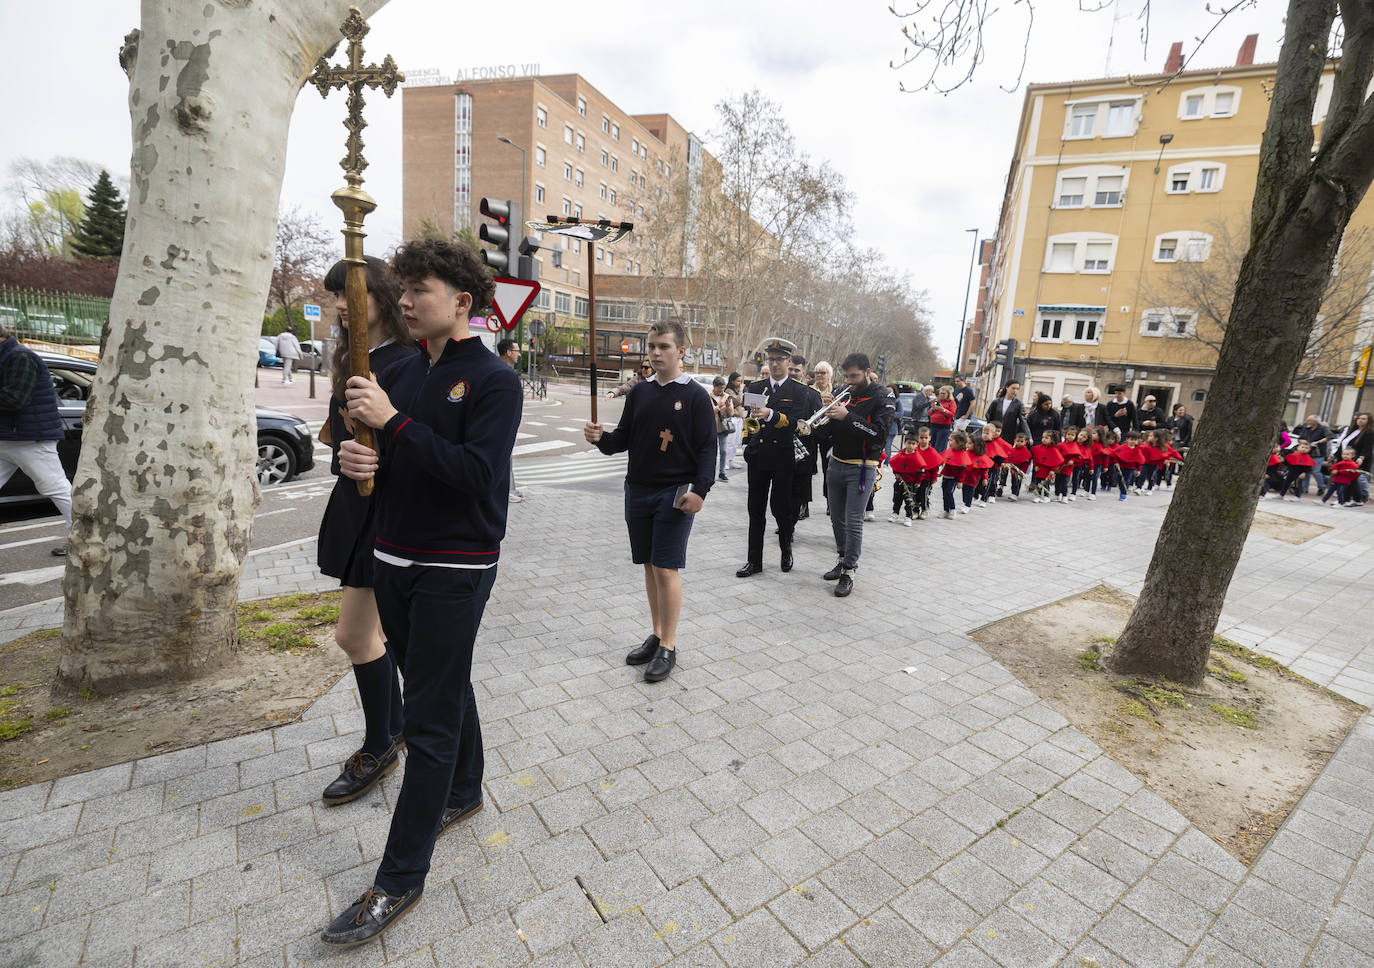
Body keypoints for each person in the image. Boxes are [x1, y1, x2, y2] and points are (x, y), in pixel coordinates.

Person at [322, 238, 521, 947]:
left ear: (462, 303)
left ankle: (399, 878)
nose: (404, 301)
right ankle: (465, 789)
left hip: (455, 567)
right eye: (402, 289)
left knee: (426, 722)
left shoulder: (495, 382)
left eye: (420, 290)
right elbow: (385, 461)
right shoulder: (399, 373)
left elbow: (476, 476)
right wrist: (357, 459)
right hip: (392, 557)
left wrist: (393, 424)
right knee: (436, 680)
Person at [315, 257, 416, 808]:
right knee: (378, 638)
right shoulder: (352, 361)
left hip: (390, 517)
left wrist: (377, 455)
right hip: (357, 511)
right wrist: (347, 460)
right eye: (334, 296)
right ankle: (393, 730)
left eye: (350, 294)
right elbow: (339, 445)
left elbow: (418, 447)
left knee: (356, 636)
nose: (339, 306)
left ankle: (382, 744)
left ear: (381, 295)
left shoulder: (406, 364)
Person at [584, 320, 714, 683]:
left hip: (674, 492)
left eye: (664, 347)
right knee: (648, 565)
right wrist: (600, 438)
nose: (655, 353)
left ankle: (669, 646)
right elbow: (623, 439)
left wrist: (700, 491)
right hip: (636, 488)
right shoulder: (640, 392)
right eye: (652, 346)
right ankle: (656, 634)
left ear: (681, 352)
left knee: (665, 567)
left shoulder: (695, 396)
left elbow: (708, 449)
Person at [822, 353, 895, 595]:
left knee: (853, 520)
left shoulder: (883, 396)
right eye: (847, 376)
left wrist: (847, 416)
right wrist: (828, 413)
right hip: (837, 462)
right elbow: (834, 430)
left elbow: (879, 434)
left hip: (862, 467)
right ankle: (842, 559)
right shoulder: (846, 392)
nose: (850, 381)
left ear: (867, 371)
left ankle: (850, 571)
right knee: (836, 518)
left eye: (854, 376)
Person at [736, 341, 809, 577]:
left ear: (789, 362)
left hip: (782, 456)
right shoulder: (756, 387)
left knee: (781, 509)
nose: (775, 363)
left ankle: (786, 550)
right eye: (771, 359)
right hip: (758, 456)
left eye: (780, 359)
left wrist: (771, 414)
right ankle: (754, 560)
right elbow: (749, 420)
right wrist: (747, 444)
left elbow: (795, 424)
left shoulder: (799, 391)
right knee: (755, 510)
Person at [0, 330, 72, 556]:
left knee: (56, 488)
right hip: (9, 437)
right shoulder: (9, 356)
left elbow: (14, 399)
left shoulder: (20, 357)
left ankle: (84, 537)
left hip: (29, 438)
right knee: (57, 488)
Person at [789, 354, 823, 520]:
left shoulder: (813, 394)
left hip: (804, 446)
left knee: (802, 482)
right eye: (790, 369)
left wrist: (806, 431)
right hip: (782, 445)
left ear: (803, 372)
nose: (793, 373)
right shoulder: (779, 391)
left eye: (797, 370)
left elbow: (819, 424)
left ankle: (801, 508)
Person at [1333, 412, 1372, 505]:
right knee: (1350, 480)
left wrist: (1361, 457)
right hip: (1345, 459)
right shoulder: (1353, 430)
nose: (1360, 420)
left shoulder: (1369, 432)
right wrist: (1335, 455)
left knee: (1351, 480)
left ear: (1368, 421)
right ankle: (1354, 500)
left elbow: (1367, 447)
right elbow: (1343, 444)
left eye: (1363, 419)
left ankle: (1347, 499)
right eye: (1359, 418)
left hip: (1356, 460)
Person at [888, 433, 922, 526]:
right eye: (909, 443)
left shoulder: (917, 457)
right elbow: (895, 464)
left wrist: (918, 481)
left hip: (911, 483)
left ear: (916, 445)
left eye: (913, 443)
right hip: (899, 481)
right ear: (904, 443)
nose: (911, 446)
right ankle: (895, 513)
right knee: (897, 499)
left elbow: (921, 471)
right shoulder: (900, 455)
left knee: (909, 501)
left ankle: (908, 516)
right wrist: (896, 473)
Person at [1294, 414, 1330, 495]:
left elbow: (1329, 437)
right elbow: (1300, 438)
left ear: (1315, 421)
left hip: (1318, 453)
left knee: (1316, 471)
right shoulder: (1306, 428)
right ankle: (1304, 488)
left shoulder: (1323, 428)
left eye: (1309, 420)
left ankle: (1321, 486)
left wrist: (1318, 442)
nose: (1307, 422)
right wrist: (1302, 441)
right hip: (1306, 453)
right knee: (1306, 471)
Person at [710, 376, 736, 482]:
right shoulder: (708, 397)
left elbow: (731, 414)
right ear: (714, 387)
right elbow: (705, 413)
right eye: (720, 387)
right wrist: (716, 408)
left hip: (723, 429)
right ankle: (710, 472)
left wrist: (729, 406)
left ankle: (722, 472)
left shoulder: (727, 397)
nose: (722, 390)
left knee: (724, 451)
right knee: (712, 452)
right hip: (711, 428)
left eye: (723, 387)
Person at [724, 371, 745, 469]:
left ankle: (731, 460)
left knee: (736, 442)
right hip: (732, 419)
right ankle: (725, 461)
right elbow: (737, 401)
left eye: (741, 381)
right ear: (732, 381)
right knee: (730, 441)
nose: (740, 384)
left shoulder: (736, 391)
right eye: (738, 381)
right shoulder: (728, 391)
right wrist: (741, 390)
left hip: (739, 418)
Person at [929, 385, 956, 451]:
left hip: (943, 428)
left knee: (939, 448)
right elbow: (929, 413)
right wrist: (932, 409)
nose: (942, 395)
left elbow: (952, 414)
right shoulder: (937, 401)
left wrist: (943, 410)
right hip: (933, 426)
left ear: (948, 394)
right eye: (941, 393)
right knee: (931, 447)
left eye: (944, 393)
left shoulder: (951, 402)